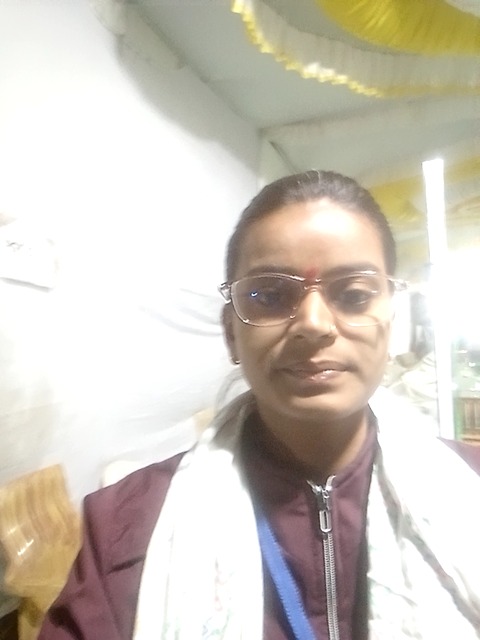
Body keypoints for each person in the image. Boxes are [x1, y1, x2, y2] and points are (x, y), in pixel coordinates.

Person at [39, 170, 480, 640]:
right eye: (269, 295)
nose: (314, 323)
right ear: (231, 333)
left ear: (391, 323)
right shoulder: (122, 528)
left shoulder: (469, 488)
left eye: (353, 295)